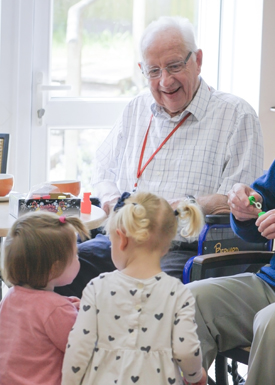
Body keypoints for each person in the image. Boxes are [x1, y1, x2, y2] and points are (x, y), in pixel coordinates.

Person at [56, 15, 264, 298]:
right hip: (118, 240)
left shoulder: (236, 115)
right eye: (154, 71)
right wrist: (110, 201)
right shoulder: (137, 108)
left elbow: (237, 206)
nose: (165, 81)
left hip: (178, 248)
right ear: (143, 70)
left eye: (175, 65)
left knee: (143, 301)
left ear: (198, 60)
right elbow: (103, 171)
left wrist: (187, 205)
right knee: (55, 273)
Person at [61, 191, 207, 385]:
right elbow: (186, 350)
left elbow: (78, 349)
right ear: (166, 246)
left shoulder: (97, 288)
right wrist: (196, 376)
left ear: (121, 239)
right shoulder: (178, 292)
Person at [187, 160, 275, 385]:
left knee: (271, 323)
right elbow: (260, 206)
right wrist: (245, 211)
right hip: (271, 285)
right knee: (187, 301)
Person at [0, 211, 90, 385]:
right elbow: (82, 349)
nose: (78, 259)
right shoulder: (56, 310)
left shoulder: (10, 297)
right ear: (55, 268)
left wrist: (68, 307)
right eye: (75, 255)